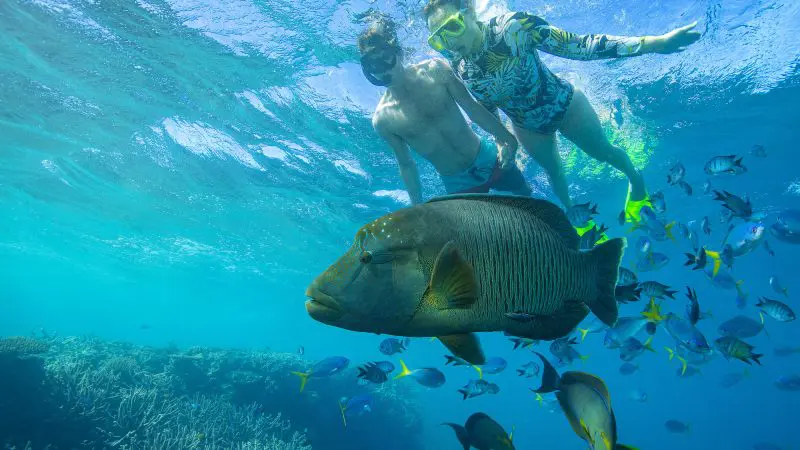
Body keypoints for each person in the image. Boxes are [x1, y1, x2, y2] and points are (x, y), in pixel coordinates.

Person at [423, 0, 701, 223]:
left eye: (452, 27)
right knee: (555, 173)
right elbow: (487, 107)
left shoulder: (514, 28)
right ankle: (578, 219)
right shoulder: (461, 68)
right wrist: (501, 141)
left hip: (565, 104)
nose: (448, 41)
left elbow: (580, 46)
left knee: (603, 152)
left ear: (469, 10)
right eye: (438, 38)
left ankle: (636, 180)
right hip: (527, 127)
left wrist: (656, 43)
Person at [358, 19, 532, 204]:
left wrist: (508, 139)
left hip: (487, 158)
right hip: (457, 183)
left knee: (526, 197)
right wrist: (417, 204)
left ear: (398, 52)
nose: (380, 69)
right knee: (481, 230)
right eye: (371, 63)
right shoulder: (383, 120)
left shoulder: (435, 70)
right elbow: (406, 164)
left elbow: (473, 109)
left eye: (384, 57)